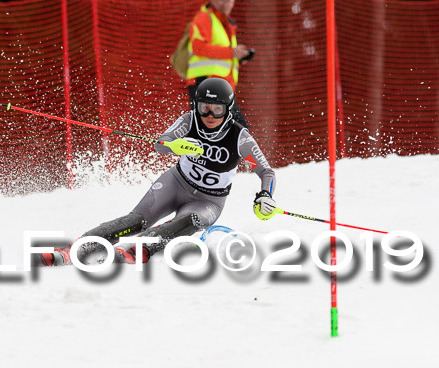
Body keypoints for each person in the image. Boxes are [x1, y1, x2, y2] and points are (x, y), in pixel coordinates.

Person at [38, 77, 277, 267]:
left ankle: (139, 248)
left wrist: (265, 195)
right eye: (204, 108)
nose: (210, 116)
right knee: (135, 220)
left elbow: (266, 171)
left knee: (188, 222)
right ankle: (76, 248)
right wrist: (175, 145)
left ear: (228, 109)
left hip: (208, 201)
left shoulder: (239, 137)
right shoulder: (190, 120)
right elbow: (161, 144)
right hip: (176, 183)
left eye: (217, 109)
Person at [187, 0, 252, 129]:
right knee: (233, 129)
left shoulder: (224, 23)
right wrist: (232, 52)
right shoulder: (205, 18)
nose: (226, 4)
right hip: (206, 83)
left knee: (234, 129)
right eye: (222, 0)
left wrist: (238, 57)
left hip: (221, 85)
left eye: (229, 1)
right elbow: (198, 48)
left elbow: (222, 56)